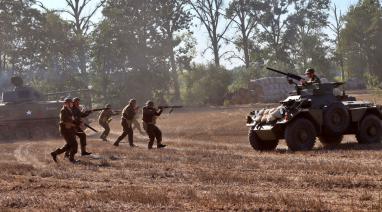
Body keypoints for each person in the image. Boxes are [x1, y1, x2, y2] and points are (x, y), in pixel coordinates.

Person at [50, 98, 78, 163]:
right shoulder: (63, 111)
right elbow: (63, 121)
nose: (72, 104)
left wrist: (75, 122)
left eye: (71, 103)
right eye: (70, 103)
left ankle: (55, 153)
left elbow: (71, 119)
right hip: (65, 130)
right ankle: (71, 159)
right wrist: (73, 125)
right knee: (74, 144)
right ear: (66, 103)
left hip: (69, 130)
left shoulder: (69, 110)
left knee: (69, 145)